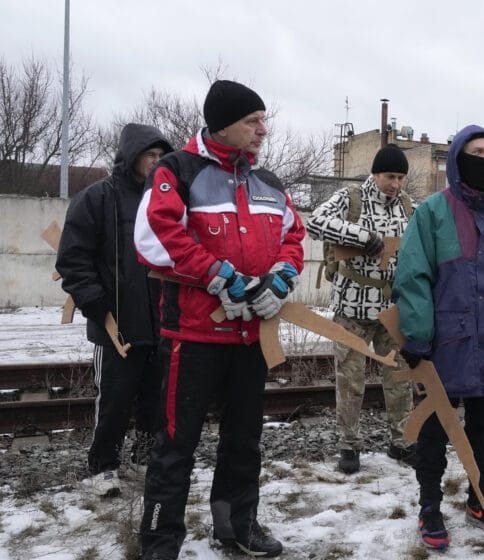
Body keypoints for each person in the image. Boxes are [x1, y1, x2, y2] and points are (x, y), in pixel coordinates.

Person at [134, 80, 305, 559]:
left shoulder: (268, 182)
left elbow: (294, 237)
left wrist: (280, 278)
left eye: (263, 121)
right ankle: (160, 542)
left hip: (250, 337)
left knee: (243, 443)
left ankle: (235, 527)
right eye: (253, 121)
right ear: (223, 122)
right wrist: (217, 275)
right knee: (175, 446)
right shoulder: (177, 171)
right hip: (193, 337)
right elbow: (154, 237)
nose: (263, 131)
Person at [393, 124, 484, 549]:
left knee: (482, 429)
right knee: (436, 430)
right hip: (446, 343)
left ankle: (480, 496)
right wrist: (417, 338)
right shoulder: (432, 212)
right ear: (458, 158)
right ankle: (429, 505)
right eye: (476, 151)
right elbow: (413, 278)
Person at [56, 123, 173, 497]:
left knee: (157, 398)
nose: (155, 163)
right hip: (116, 325)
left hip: (163, 324)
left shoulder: (165, 200)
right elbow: (73, 259)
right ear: (131, 156)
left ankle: (144, 459)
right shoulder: (97, 199)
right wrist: (94, 302)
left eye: (161, 157)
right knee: (114, 401)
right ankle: (103, 466)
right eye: (150, 155)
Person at [305, 143, 415, 473]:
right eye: (389, 176)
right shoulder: (350, 198)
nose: (395, 184)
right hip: (350, 307)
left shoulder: (408, 206)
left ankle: (401, 442)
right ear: (376, 174)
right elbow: (314, 222)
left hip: (391, 309)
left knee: (399, 379)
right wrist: (361, 236)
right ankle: (348, 446)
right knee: (350, 380)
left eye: (400, 178)